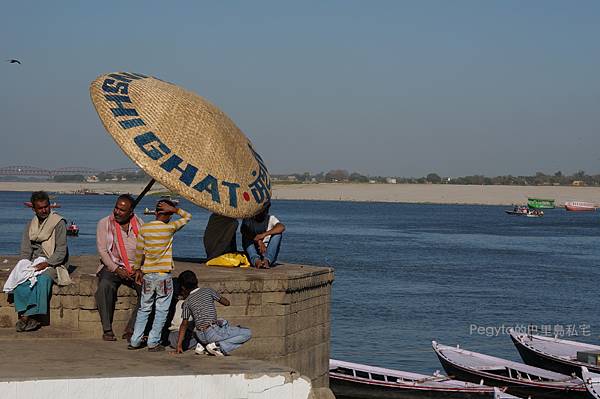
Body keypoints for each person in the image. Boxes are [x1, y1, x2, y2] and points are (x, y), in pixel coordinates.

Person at [128, 199, 191, 351]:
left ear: (155, 213)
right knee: (161, 310)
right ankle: (153, 342)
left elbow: (139, 253)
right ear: (169, 216)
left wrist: (137, 270)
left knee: (144, 308)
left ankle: (135, 340)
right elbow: (187, 217)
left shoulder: (145, 229)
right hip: (163, 276)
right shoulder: (169, 228)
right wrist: (175, 210)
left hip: (148, 275)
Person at [5, 191, 68, 332]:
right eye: (40, 208)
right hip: (34, 261)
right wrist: (24, 266)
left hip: (53, 261)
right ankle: (26, 314)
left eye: (46, 207)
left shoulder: (58, 223)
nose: (44, 210)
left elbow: (61, 251)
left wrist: (46, 263)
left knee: (43, 279)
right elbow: (26, 251)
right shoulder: (30, 225)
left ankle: (28, 316)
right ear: (34, 209)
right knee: (20, 281)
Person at [95, 194, 144, 341]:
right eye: (116, 208)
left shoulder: (140, 224)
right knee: (104, 286)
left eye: (122, 210)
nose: (117, 212)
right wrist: (116, 269)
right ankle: (107, 329)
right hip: (112, 266)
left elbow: (146, 248)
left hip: (135, 268)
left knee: (148, 291)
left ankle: (131, 329)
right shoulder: (104, 223)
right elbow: (103, 251)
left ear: (131, 212)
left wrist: (139, 269)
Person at [174, 270, 251, 356]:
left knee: (222, 323)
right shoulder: (208, 291)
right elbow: (227, 303)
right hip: (212, 331)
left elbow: (184, 324)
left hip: (200, 335)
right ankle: (218, 346)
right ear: (196, 281)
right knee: (246, 333)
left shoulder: (187, 302)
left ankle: (203, 345)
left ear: (183, 288)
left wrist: (179, 345)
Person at [241, 202, 285, 269]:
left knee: (278, 234)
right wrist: (259, 242)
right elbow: (243, 230)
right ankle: (257, 261)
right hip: (253, 252)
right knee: (245, 236)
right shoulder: (248, 219)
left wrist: (263, 235)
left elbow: (281, 227)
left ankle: (266, 261)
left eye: (265, 209)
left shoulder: (271, 219)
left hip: (267, 253)